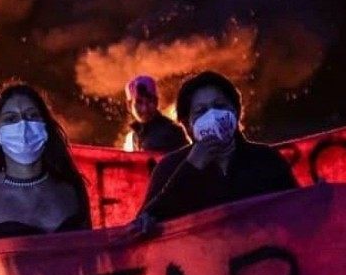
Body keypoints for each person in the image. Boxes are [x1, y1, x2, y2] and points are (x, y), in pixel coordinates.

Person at [135, 70, 299, 226]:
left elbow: (299, 211)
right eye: (201, 111)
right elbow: (144, 223)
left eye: (220, 105)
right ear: (187, 124)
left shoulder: (267, 160)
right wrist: (191, 167)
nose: (213, 116)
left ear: (235, 111)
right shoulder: (169, 168)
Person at [0, 83, 91, 245]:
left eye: (32, 115)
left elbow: (92, 256)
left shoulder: (70, 190)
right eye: (11, 119)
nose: (23, 125)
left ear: (46, 126)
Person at [126, 75, 188, 154]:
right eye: (139, 102)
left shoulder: (173, 131)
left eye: (150, 101)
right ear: (129, 105)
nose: (145, 108)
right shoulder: (135, 135)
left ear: (156, 102)